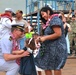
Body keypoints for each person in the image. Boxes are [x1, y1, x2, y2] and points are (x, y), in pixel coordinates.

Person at [35, 6, 67, 75]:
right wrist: (40, 38)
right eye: (42, 15)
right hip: (49, 49)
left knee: (56, 67)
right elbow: (48, 34)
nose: (43, 16)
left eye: (43, 14)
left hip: (57, 48)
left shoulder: (55, 20)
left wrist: (45, 38)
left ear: (48, 12)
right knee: (47, 66)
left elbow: (58, 34)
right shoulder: (48, 22)